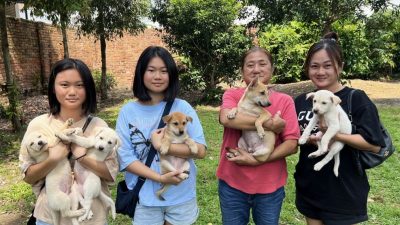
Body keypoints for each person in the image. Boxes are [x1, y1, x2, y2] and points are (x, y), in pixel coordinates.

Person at [294, 32, 385, 225]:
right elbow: (295, 137)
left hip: (343, 192)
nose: (321, 72)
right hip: (310, 185)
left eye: (328, 66)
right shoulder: (304, 100)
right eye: (314, 66)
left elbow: (374, 145)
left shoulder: (356, 99)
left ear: (340, 67)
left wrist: (336, 135)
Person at [19, 58, 118, 225]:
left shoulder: (99, 126)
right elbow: (28, 176)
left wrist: (82, 157)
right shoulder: (39, 125)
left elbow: (110, 173)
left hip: (92, 217)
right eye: (64, 85)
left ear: (88, 89)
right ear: (53, 88)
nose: (72, 92)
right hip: (49, 216)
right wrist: (53, 159)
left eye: (79, 85)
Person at [116, 46, 207, 225]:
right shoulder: (128, 111)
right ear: (141, 73)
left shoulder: (183, 108)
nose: (157, 76)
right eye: (151, 70)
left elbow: (201, 151)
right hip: (144, 196)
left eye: (164, 71)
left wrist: (162, 146)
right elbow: (124, 157)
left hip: (182, 195)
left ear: (171, 75)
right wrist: (159, 178)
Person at [217, 46, 300, 225]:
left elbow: (292, 144)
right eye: (250, 65)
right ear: (242, 71)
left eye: (262, 64)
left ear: (272, 68)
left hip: (269, 187)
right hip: (232, 183)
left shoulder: (284, 101)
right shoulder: (232, 94)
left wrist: (257, 160)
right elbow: (227, 118)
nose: (256, 69)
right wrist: (271, 124)